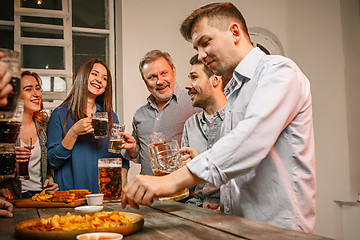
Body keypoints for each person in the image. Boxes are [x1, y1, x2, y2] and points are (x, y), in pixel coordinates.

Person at [122, 2, 316, 234]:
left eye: (205, 43)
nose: (201, 55)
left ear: (234, 32)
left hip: (278, 229)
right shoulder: (234, 91)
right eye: (197, 48)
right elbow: (235, 164)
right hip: (240, 224)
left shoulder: (279, 71)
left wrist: (169, 181)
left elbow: (248, 143)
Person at [47, 59, 132, 193]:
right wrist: (74, 132)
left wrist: (123, 177)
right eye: (94, 74)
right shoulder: (60, 114)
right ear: (83, 77)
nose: (99, 80)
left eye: (104, 78)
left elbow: (118, 156)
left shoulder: (110, 116)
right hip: (70, 195)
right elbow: (52, 161)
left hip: (103, 195)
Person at [124, 50, 198, 175]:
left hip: (181, 191)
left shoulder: (195, 105)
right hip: (148, 191)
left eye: (164, 73)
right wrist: (133, 148)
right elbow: (139, 157)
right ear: (144, 80)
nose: (160, 81)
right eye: (152, 77)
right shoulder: (139, 114)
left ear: (173, 71)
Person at [0, 71, 59, 199]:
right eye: (28, 89)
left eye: (38, 88)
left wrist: (50, 179)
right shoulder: (4, 129)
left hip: (41, 198)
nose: (36, 94)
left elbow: (50, 165)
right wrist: (8, 163)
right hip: (13, 200)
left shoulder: (45, 126)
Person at [181, 54, 227, 210]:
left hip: (231, 211)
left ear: (215, 79)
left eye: (194, 77)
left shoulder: (239, 118)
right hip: (196, 208)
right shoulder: (190, 124)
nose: (187, 85)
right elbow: (187, 180)